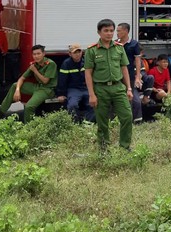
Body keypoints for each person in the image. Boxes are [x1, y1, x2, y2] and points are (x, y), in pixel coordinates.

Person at [85, 19, 134, 150]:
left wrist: (128, 88)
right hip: (100, 89)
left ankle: (125, 146)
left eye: (111, 31)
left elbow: (124, 69)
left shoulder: (119, 48)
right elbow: (88, 73)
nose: (109, 33)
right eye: (106, 31)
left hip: (118, 87)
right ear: (99, 32)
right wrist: (91, 94)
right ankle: (103, 148)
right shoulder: (92, 50)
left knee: (127, 116)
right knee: (102, 121)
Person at [0, 44, 57, 123]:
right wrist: (17, 90)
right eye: (34, 54)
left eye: (38, 54)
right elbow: (22, 78)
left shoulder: (50, 64)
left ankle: (28, 127)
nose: (36, 56)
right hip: (37, 87)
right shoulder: (34, 64)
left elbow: (45, 81)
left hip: (47, 89)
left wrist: (35, 71)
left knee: (29, 106)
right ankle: (2, 111)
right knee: (15, 85)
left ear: (43, 54)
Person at [55, 43, 95, 123]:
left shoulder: (86, 62)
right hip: (73, 89)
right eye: (75, 52)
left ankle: (88, 123)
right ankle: (75, 123)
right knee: (72, 105)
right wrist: (60, 94)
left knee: (94, 104)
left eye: (79, 52)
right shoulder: (66, 64)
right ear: (70, 54)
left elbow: (93, 76)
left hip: (86, 88)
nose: (77, 54)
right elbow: (62, 80)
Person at [116, 23, 144, 123]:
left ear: (126, 31)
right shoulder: (115, 43)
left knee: (130, 98)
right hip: (116, 76)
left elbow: (137, 60)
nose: (117, 33)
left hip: (130, 75)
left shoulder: (134, 44)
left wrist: (137, 77)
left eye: (119, 31)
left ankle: (130, 120)